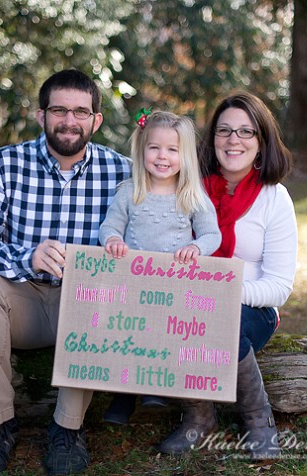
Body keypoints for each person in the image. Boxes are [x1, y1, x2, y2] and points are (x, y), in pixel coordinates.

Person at [0, 69, 131, 476]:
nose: (70, 120)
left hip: (88, 310)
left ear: (96, 120)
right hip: (23, 300)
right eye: (59, 110)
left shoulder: (123, 172)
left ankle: (68, 429)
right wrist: (25, 257)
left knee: (96, 286)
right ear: (41, 115)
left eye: (81, 112)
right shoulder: (5, 163)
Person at [156, 92, 297, 459]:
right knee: (184, 317)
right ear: (213, 138)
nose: (234, 140)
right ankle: (200, 418)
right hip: (185, 302)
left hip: (252, 307)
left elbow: (279, 287)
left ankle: (258, 419)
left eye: (246, 131)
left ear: (262, 141)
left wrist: (224, 292)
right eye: (224, 130)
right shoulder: (189, 188)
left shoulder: (274, 198)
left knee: (221, 321)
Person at [98, 110, 222, 425]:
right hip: (131, 285)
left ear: (186, 155)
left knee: (163, 333)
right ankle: (122, 396)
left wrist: (196, 247)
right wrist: (112, 240)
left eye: (172, 149)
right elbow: (109, 227)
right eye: (154, 148)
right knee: (127, 335)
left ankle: (156, 386)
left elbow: (212, 234)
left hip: (173, 285)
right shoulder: (129, 192)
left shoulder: (191, 195)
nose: (162, 156)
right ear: (141, 150)